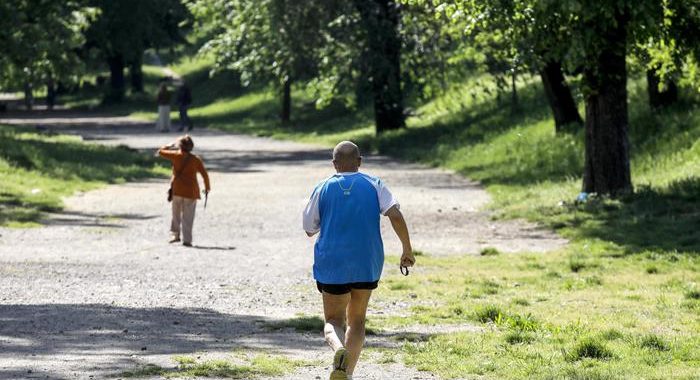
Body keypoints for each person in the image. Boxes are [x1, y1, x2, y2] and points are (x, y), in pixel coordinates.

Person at [302, 141, 415, 380]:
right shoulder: (375, 184)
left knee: (333, 320)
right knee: (358, 320)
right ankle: (347, 372)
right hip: (367, 261)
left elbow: (309, 228)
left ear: (334, 164)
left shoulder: (322, 187)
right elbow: (394, 214)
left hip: (331, 263)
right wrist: (407, 249)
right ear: (359, 161)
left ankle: (338, 348)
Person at [157, 135, 211, 247]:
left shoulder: (176, 155)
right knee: (188, 216)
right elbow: (205, 175)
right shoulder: (196, 159)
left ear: (180, 146)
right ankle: (187, 240)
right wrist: (207, 188)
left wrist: (169, 145)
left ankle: (175, 235)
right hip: (191, 191)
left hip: (177, 189)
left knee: (176, 213)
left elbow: (160, 152)